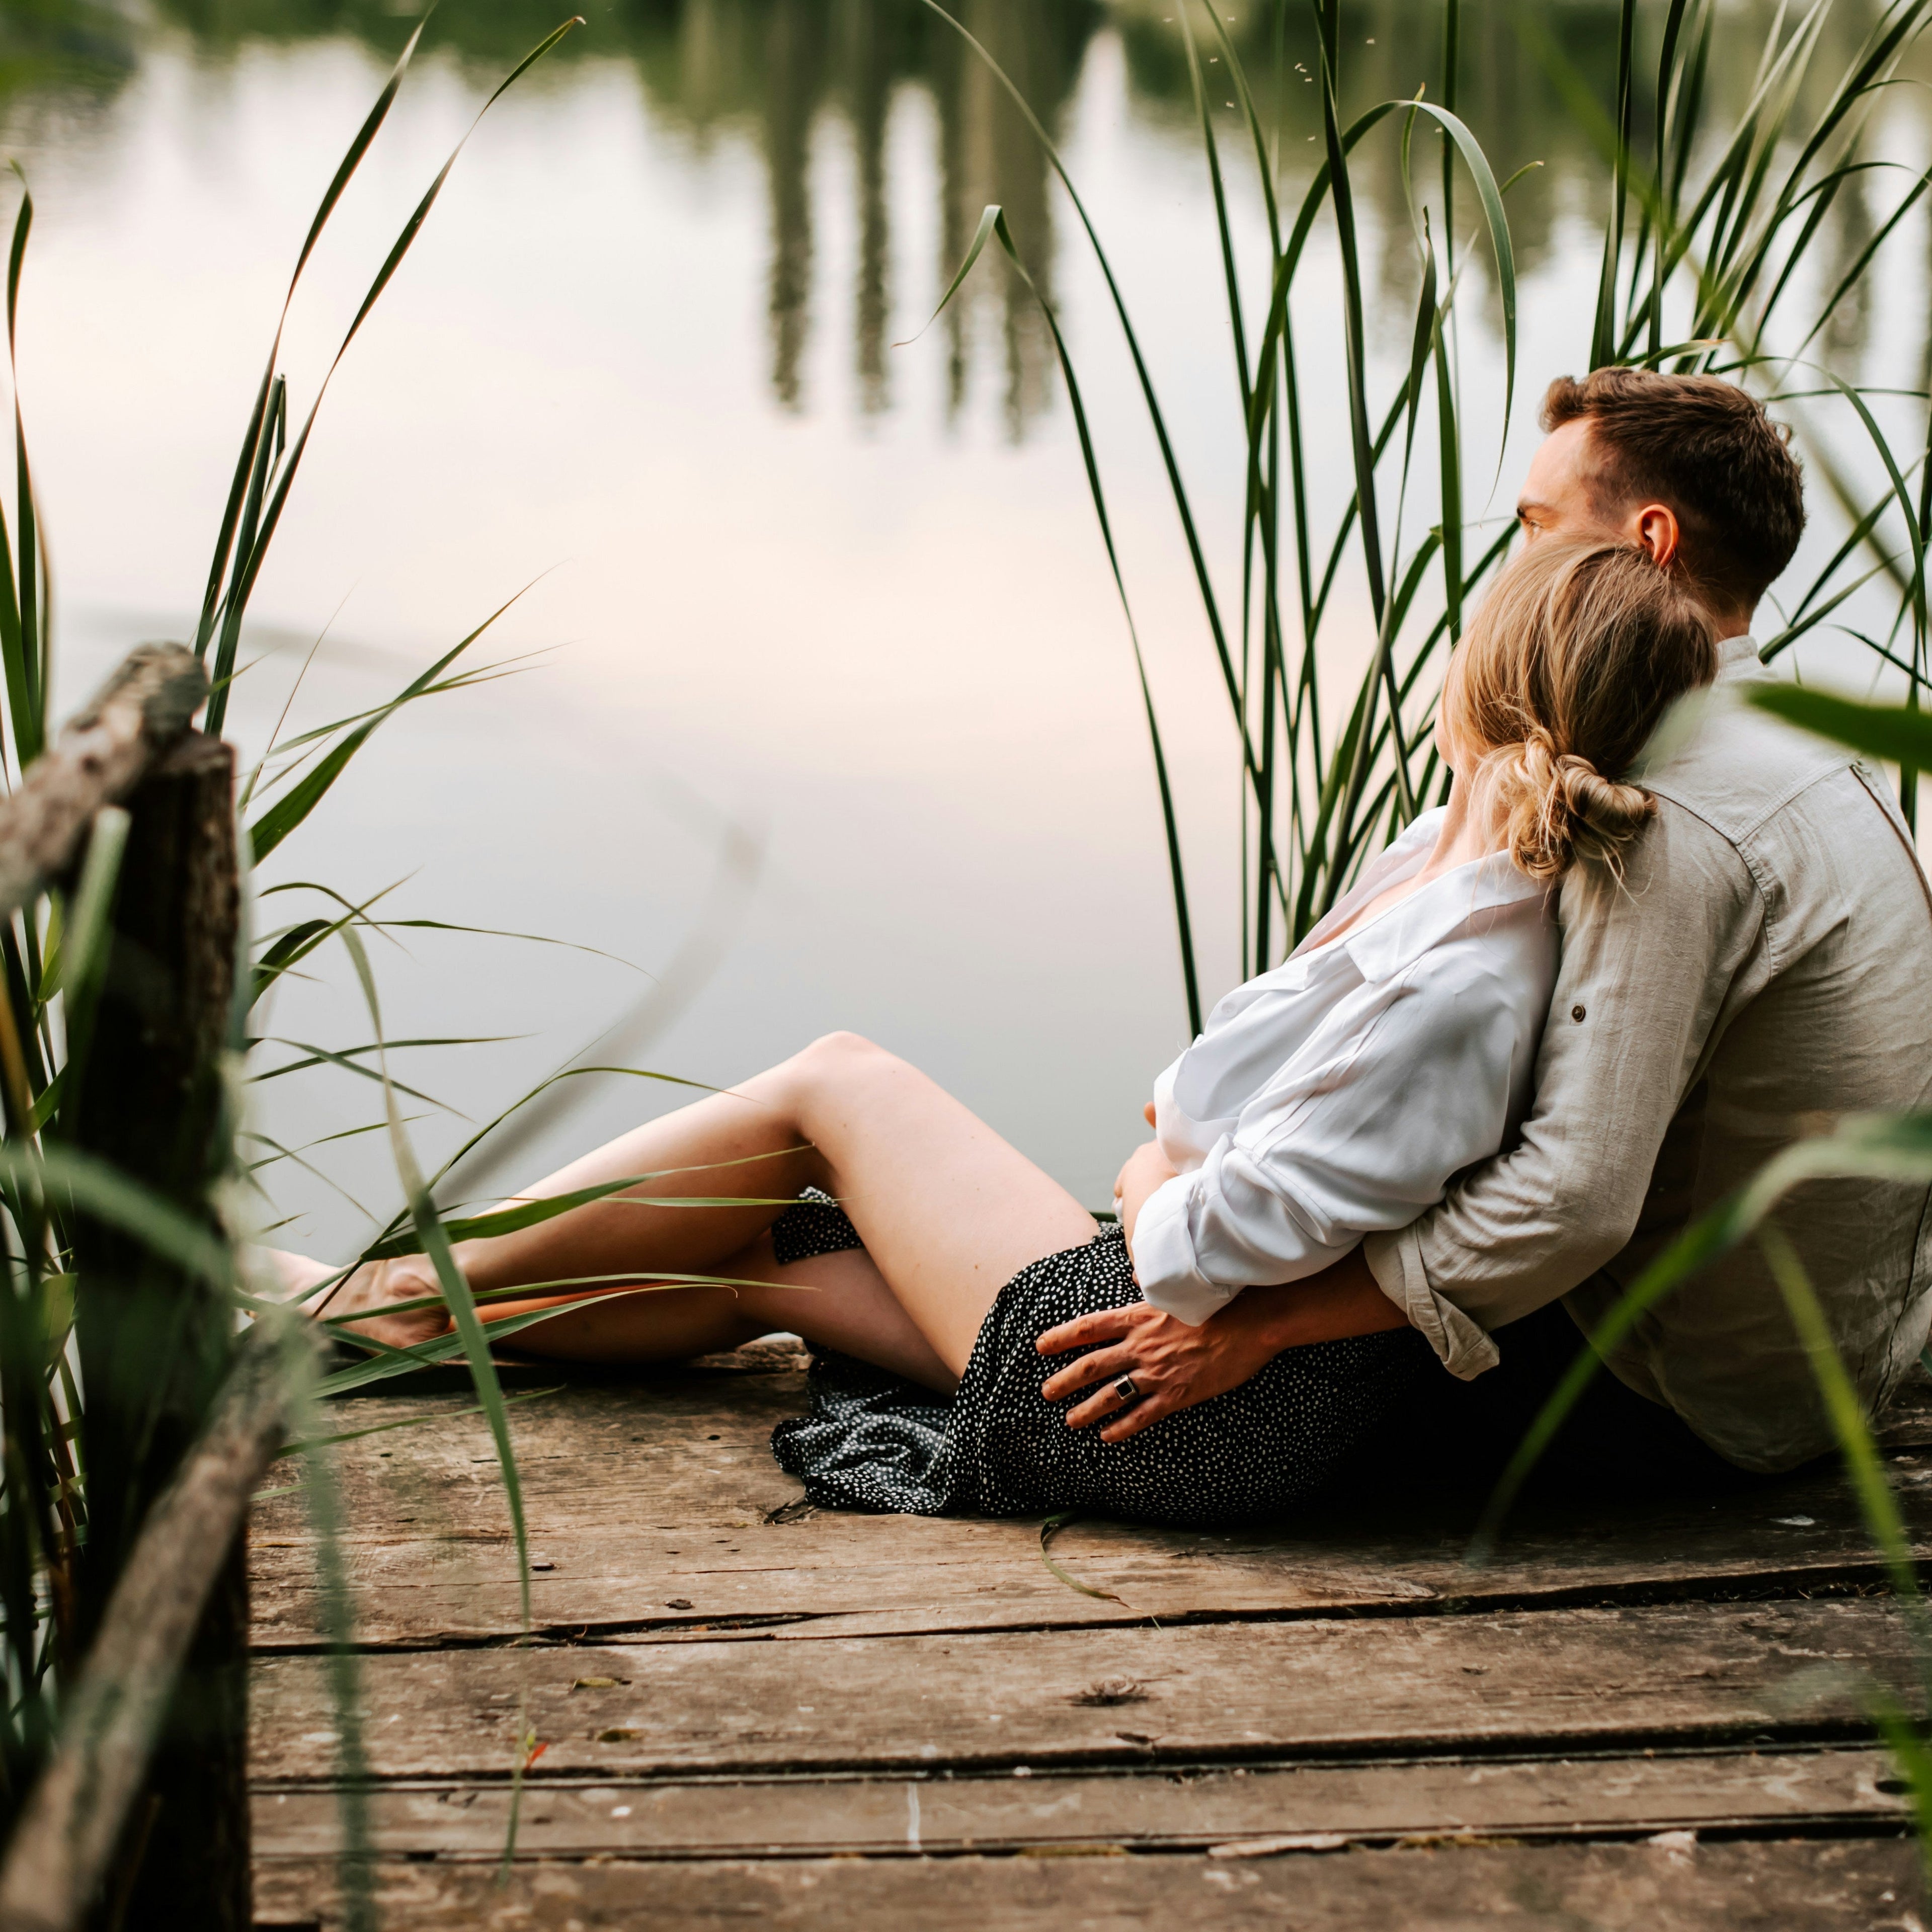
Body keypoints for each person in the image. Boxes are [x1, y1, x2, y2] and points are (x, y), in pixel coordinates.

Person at [282, 370, 1932, 1526]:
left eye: (1531, 526)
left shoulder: (1661, 809)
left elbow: (1575, 1199)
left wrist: (1262, 1319)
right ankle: (394, 1323)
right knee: (759, 1261)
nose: (1501, 563)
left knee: (834, 1091)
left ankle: (350, 1306)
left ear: (1640, 549)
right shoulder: (1801, 746)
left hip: (1638, 1411)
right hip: (1772, 1389)